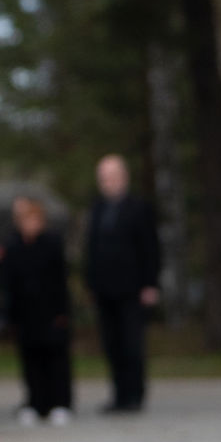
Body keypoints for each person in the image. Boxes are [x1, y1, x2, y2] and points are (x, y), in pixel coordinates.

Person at [81, 152, 162, 414]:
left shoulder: (139, 208)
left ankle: (134, 395)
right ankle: (118, 395)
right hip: (105, 289)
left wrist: (150, 284)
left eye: (112, 176)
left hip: (132, 289)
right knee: (112, 344)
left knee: (131, 344)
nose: (108, 182)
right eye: (103, 177)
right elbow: (90, 249)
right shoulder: (97, 209)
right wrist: (90, 284)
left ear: (123, 177)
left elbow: (151, 248)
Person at [0, 189, 77, 423]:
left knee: (56, 360)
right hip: (25, 314)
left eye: (33, 219)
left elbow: (61, 281)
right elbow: (8, 282)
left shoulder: (52, 243)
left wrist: (62, 312)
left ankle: (60, 403)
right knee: (31, 361)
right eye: (24, 220)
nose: (29, 224)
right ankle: (36, 403)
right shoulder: (13, 246)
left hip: (51, 312)